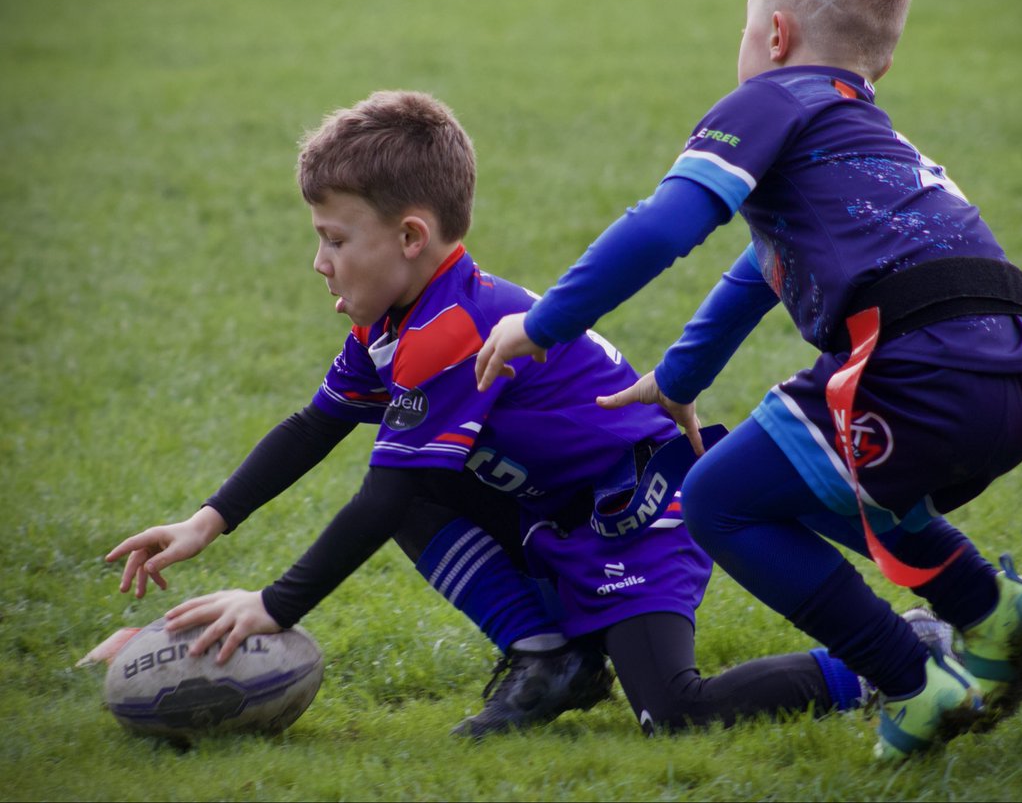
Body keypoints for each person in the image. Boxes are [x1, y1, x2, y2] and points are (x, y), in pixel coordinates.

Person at [105, 89, 926, 740]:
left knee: (673, 709)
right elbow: (313, 426)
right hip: (552, 515)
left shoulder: (448, 331)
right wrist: (207, 521)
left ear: (411, 236)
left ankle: (910, 652)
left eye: (333, 238)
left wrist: (275, 605)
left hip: (637, 513)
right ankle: (550, 658)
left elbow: (380, 498)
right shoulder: (392, 325)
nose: (318, 261)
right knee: (416, 482)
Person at [474, 0, 1022, 760]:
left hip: (918, 368)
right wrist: (679, 377)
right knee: (835, 483)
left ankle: (913, 681)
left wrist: (540, 325)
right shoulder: (873, 142)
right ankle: (997, 609)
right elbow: (760, 273)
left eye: (748, 31)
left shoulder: (772, 100)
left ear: (777, 35)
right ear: (880, 63)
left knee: (719, 499)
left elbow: (661, 229)